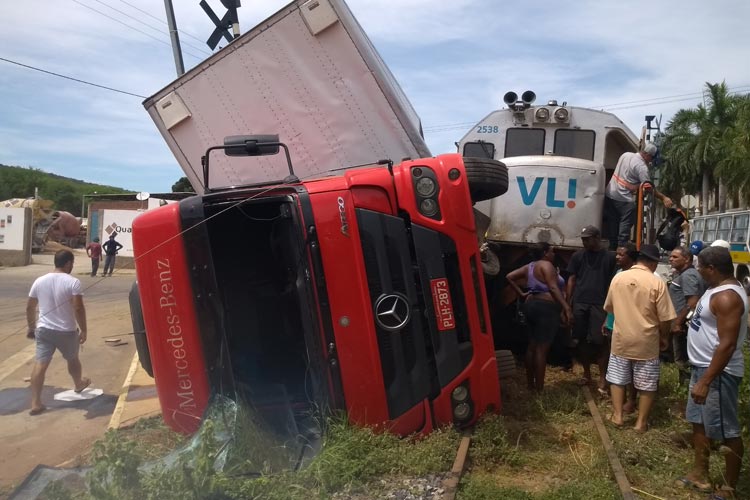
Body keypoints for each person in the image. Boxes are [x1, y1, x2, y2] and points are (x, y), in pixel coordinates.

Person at [678, 246, 746, 499]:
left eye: (700, 266)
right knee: (699, 423)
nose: (697, 269)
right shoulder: (714, 289)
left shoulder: (728, 297)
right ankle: (699, 474)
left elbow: (727, 344)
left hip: (717, 373)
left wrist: (707, 380)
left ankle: (729, 488)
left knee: (728, 431)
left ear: (711, 269)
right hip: (702, 368)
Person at [604, 244, 676, 432]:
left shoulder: (618, 278)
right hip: (647, 341)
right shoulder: (656, 282)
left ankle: (618, 417)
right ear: (652, 263)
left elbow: (610, 307)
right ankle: (640, 423)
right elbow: (666, 317)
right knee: (647, 383)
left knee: (618, 379)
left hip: (621, 339)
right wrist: (664, 337)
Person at [25, 250, 90, 415]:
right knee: (72, 358)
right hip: (66, 330)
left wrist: (31, 328)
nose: (72, 266)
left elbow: (30, 306)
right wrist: (83, 330)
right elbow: (78, 307)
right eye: (72, 263)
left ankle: (35, 403)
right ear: (68, 263)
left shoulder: (39, 281)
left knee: (40, 364)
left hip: (44, 330)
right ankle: (78, 384)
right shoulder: (73, 282)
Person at [506, 242, 572, 392]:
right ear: (545, 253)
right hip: (546, 308)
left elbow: (509, 276)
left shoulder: (530, 266)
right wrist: (566, 307)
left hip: (532, 305)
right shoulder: (546, 265)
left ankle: (530, 385)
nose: (553, 254)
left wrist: (521, 293)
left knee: (532, 346)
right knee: (542, 349)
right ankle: (540, 389)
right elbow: (553, 288)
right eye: (551, 251)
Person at [566, 225, 617, 392]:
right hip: (580, 302)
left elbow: (613, 282)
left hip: (600, 304)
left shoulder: (609, 257)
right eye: (583, 239)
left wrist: (611, 307)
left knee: (600, 341)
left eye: (587, 239)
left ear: (597, 238)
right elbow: (572, 279)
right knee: (580, 340)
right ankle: (586, 374)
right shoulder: (578, 256)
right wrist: (568, 304)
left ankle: (603, 378)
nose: (584, 242)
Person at [603, 142, 674, 249]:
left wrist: (634, 185)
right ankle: (621, 247)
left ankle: (612, 248)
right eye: (652, 158)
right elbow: (648, 187)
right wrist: (663, 197)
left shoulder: (625, 155)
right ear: (648, 155)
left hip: (610, 194)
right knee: (626, 223)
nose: (651, 161)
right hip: (623, 198)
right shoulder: (641, 167)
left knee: (613, 224)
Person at [602, 242, 639, 409]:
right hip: (614, 323)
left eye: (621, 254)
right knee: (617, 363)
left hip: (630, 327)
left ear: (631, 257)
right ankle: (619, 397)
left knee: (631, 364)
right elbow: (613, 301)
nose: (617, 257)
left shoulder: (637, 276)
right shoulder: (618, 273)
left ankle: (632, 399)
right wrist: (607, 320)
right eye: (616, 254)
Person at [667, 246, 707, 383]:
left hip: (683, 326)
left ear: (687, 259)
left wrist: (678, 322)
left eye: (675, 257)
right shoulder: (683, 274)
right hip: (681, 323)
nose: (671, 259)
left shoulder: (689, 275)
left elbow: (693, 301)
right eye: (671, 256)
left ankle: (685, 386)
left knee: (682, 358)